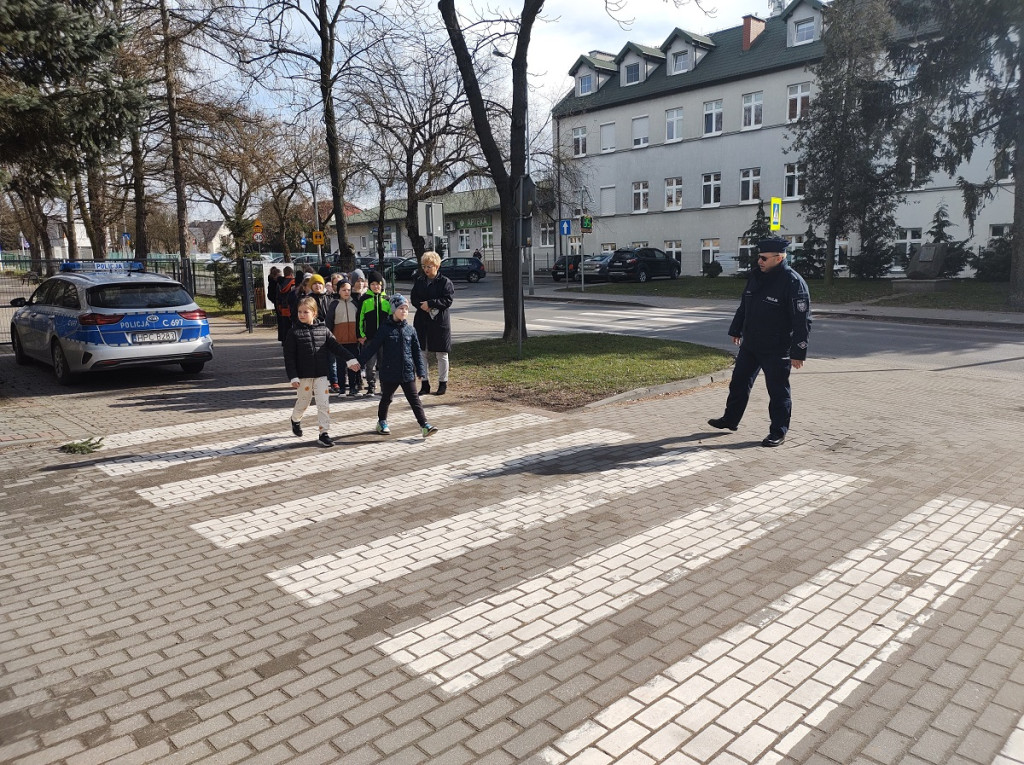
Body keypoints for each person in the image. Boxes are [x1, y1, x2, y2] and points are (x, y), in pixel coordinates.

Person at [708, 236, 812, 447]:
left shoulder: (793, 283)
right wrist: (736, 328)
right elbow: (744, 306)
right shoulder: (756, 277)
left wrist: (798, 352)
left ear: (779, 258)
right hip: (751, 344)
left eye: (764, 258)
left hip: (776, 347)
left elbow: (803, 321)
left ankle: (778, 432)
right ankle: (730, 420)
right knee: (738, 383)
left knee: (777, 391)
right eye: (759, 257)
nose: (760, 261)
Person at [283, 296, 360, 448]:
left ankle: (323, 433)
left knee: (323, 404)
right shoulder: (293, 333)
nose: (302, 315)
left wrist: (350, 359)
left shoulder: (323, 330)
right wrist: (293, 376)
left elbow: (336, 347)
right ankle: (295, 420)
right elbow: (289, 357)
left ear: (314, 313)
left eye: (306, 312)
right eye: (300, 312)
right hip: (303, 376)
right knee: (303, 403)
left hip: (321, 375)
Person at [358, 294, 437, 438]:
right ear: (393, 310)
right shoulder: (385, 329)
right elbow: (372, 347)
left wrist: (420, 370)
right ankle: (382, 422)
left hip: (407, 372)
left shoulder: (410, 330)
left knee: (414, 400)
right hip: (389, 372)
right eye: (401, 308)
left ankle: (424, 425)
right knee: (387, 399)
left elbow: (416, 352)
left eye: (406, 309)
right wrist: (359, 362)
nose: (404, 312)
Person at [410, 250, 454, 396]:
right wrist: (421, 305)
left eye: (429, 266)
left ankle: (443, 383)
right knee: (422, 353)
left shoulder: (445, 282)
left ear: (436, 266)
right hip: (422, 321)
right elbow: (414, 297)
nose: (426, 269)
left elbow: (447, 300)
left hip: (439, 322)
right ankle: (425, 384)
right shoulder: (420, 281)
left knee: (441, 354)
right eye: (424, 266)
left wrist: (431, 303)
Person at [357, 270, 391, 396]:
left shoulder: (387, 299)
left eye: (378, 284)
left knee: (383, 364)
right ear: (369, 285)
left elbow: (391, 319)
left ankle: (384, 386)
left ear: (382, 285)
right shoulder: (364, 299)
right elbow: (359, 318)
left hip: (384, 339)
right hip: (369, 338)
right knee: (370, 364)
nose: (376, 286)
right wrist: (360, 334)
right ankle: (371, 386)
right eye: (373, 284)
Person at [327, 279, 361, 395]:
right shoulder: (334, 304)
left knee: (353, 364)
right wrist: (330, 338)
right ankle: (342, 388)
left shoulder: (355, 303)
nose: (346, 292)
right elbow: (329, 322)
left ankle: (353, 387)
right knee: (341, 366)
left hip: (353, 339)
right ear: (338, 290)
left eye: (348, 290)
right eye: (343, 290)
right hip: (339, 341)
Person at [275, 266, 296, 342]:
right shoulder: (293, 283)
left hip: (283, 308)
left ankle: (285, 342)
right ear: (291, 273)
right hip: (291, 307)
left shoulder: (279, 284)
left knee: (285, 327)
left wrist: (279, 307)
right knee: (292, 326)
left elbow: (278, 297)